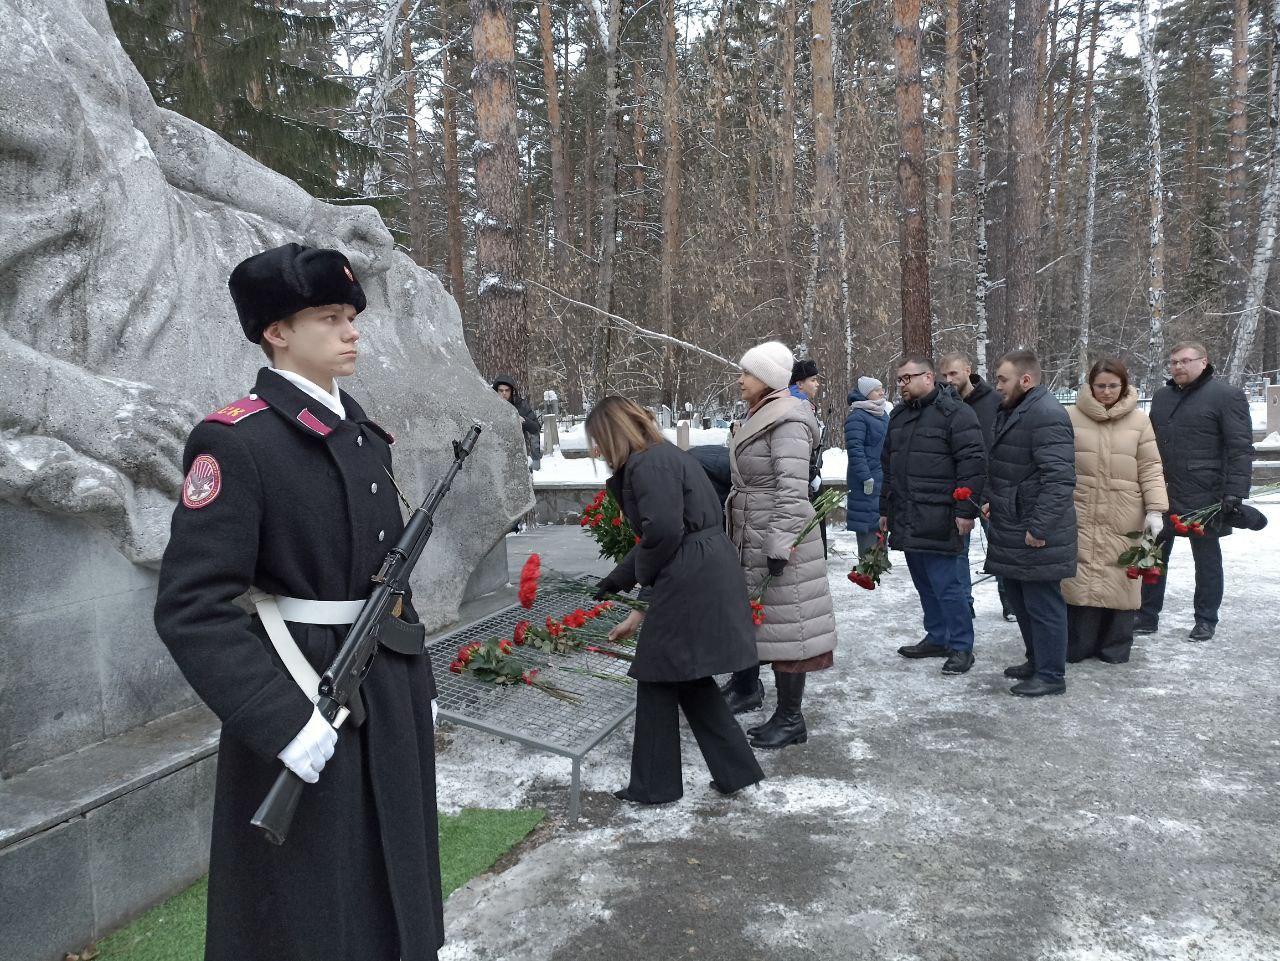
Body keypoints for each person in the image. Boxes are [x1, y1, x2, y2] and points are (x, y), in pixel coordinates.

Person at [153, 244, 444, 961]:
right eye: (329, 317)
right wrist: (280, 722)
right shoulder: (236, 442)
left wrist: (421, 680)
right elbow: (192, 604)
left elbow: (389, 581)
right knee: (311, 902)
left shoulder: (361, 430)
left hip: (382, 679)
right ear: (275, 331)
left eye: (351, 316)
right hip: (305, 690)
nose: (352, 332)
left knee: (394, 874)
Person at [588, 398, 765, 804]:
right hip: (701, 567)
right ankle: (737, 771)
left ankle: (655, 786)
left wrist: (637, 583)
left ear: (614, 433)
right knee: (687, 675)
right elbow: (665, 533)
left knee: (657, 673)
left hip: (691, 573)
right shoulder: (661, 457)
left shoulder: (648, 464)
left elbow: (664, 533)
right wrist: (618, 580)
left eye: (598, 439)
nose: (597, 450)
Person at [726, 341, 838, 748]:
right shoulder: (762, 413)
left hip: (779, 540)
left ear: (769, 379)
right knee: (764, 624)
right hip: (754, 533)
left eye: (747, 373)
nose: (740, 380)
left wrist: (778, 545)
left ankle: (791, 719)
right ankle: (748, 689)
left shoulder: (787, 420)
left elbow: (792, 493)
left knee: (791, 630)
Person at [1137, 341, 1255, 641]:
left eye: (1185, 361)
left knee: (1206, 561)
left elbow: (1240, 448)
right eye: (1173, 361)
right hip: (1163, 493)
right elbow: (1149, 445)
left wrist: (1234, 493)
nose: (1178, 367)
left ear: (1204, 362)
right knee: (1151, 555)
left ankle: (1206, 618)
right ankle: (1146, 615)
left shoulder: (1225, 396)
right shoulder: (1162, 397)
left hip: (1206, 496)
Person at [880, 357, 987, 676]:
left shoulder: (956, 413)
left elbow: (973, 463)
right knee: (925, 583)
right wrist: (884, 510)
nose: (901, 385)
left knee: (949, 586)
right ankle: (938, 636)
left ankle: (960, 646)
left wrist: (966, 510)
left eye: (906, 378)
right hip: (909, 515)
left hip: (942, 517)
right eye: (898, 380)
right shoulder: (898, 416)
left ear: (928, 377)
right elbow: (888, 466)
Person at [984, 349, 1078, 697]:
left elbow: (1059, 479)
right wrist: (995, 500)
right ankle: (1037, 660)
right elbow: (1010, 466)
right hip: (1013, 521)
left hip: (1036, 529)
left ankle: (1052, 674)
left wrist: (1040, 528)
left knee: (1042, 601)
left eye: (1003, 380)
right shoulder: (1016, 410)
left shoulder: (1046, 414)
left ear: (1026, 380)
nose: (998, 387)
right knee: (1021, 597)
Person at [1062, 358, 1169, 664]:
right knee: (1081, 573)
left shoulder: (1139, 421)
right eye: (1100, 386)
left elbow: (1150, 466)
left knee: (1122, 576)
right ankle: (1077, 644)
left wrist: (1156, 509)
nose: (1106, 392)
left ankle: (1114, 646)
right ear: (1090, 386)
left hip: (1125, 511)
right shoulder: (1069, 416)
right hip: (1080, 506)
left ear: (1123, 386)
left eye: (1113, 386)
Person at [938, 351, 1012, 621]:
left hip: (992, 492)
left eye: (954, 373)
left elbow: (1004, 447)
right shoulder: (943, 405)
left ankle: (1010, 602)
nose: (949, 380)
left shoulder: (995, 401)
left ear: (968, 370)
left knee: (1002, 550)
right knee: (959, 553)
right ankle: (964, 603)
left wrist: (996, 490)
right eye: (944, 375)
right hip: (959, 493)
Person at [844, 376, 890, 561]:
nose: (882, 392)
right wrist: (865, 476)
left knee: (881, 519)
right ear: (866, 393)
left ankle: (881, 560)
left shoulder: (882, 414)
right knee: (867, 520)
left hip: (882, 476)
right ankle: (869, 564)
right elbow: (855, 450)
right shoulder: (857, 416)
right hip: (866, 479)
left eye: (881, 388)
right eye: (877, 389)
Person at [789, 358, 828, 555]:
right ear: (799, 383)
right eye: (813, 379)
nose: (817, 384)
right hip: (802, 480)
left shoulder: (804, 405)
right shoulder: (794, 406)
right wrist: (810, 473)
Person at [493, 374, 543, 471]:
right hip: (496, 451)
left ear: (511, 391)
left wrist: (523, 420)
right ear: (496, 391)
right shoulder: (491, 405)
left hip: (518, 451)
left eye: (507, 390)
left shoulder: (521, 405)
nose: (504, 393)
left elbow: (536, 428)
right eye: (501, 390)